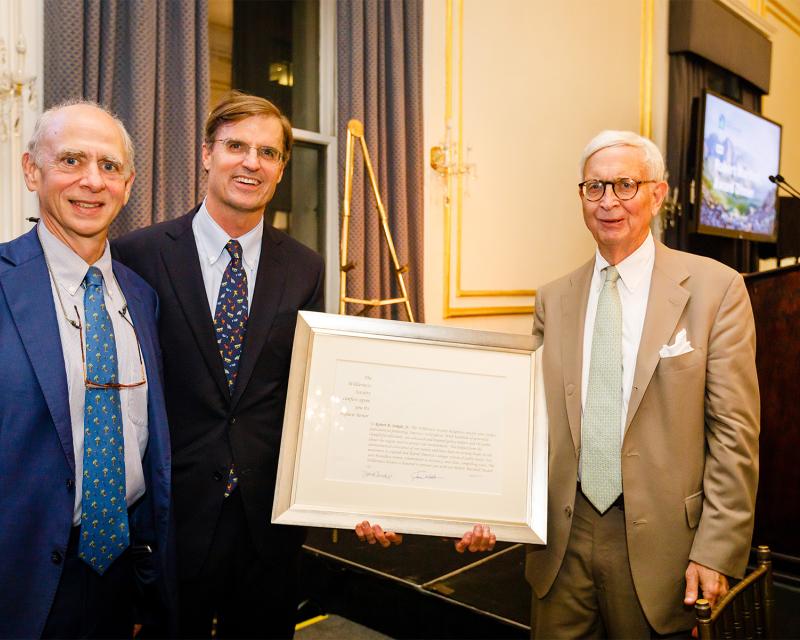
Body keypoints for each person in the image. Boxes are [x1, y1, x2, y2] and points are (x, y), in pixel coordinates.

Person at [521, 130, 760, 637]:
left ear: (658, 194)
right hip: (562, 540)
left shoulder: (716, 290)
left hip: (665, 549)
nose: (609, 201)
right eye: (595, 187)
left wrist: (717, 551)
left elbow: (735, 437)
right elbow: (531, 425)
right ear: (581, 197)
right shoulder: (553, 299)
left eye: (625, 185)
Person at [113, 91, 324, 638]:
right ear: (207, 153)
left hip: (266, 524)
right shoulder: (137, 254)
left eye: (268, 153)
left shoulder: (305, 268)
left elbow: (313, 393)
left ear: (280, 169)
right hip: (169, 517)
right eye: (236, 146)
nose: (251, 162)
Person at [0, 101, 174, 638]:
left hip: (120, 574)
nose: (92, 181)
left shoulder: (142, 298)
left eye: (110, 166)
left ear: (128, 183)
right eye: (71, 160)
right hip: (18, 581)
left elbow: (148, 445)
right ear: (32, 170)